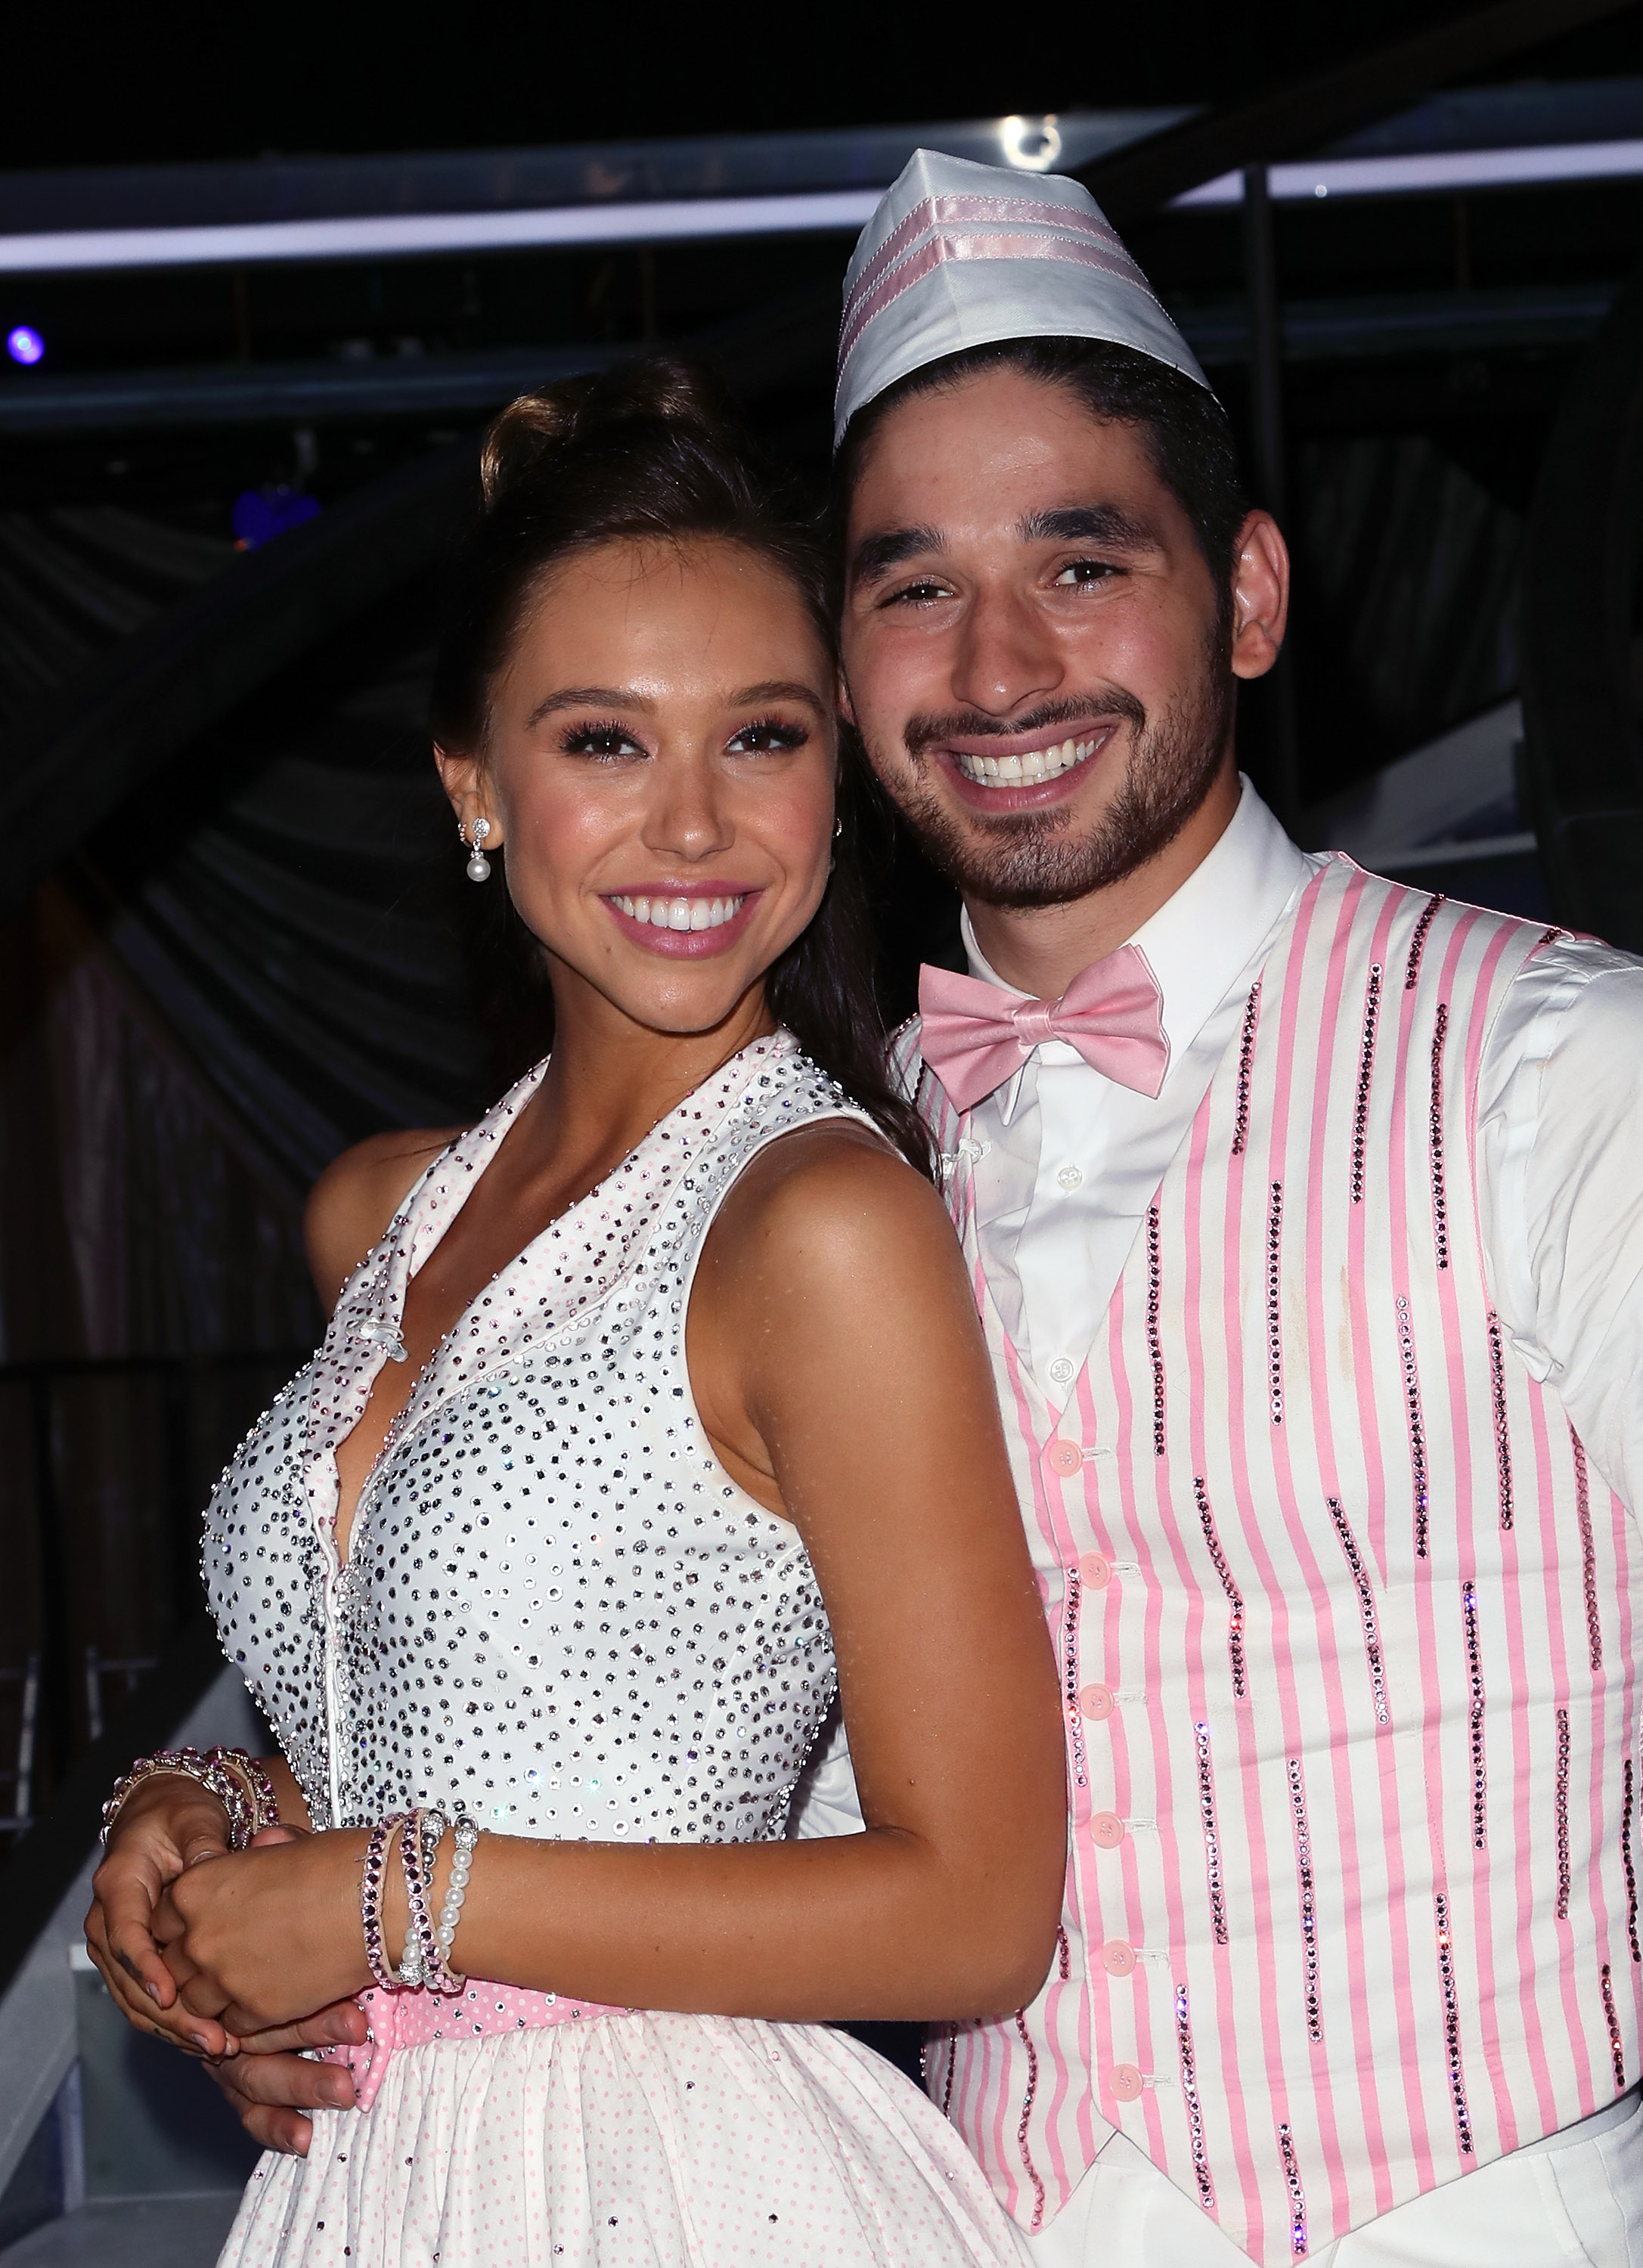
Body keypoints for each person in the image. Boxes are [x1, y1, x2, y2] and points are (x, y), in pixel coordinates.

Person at [814, 150, 1643, 2265]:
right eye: (912, 587)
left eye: (1081, 564)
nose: (996, 667)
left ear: (1246, 596)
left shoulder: (1572, 1075)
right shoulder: (826, 1162)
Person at [84, 357, 1064, 2268]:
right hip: (375, 2184)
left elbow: (974, 1909)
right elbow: (452, 1732)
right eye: (606, 742)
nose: (693, 828)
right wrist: (197, 1820)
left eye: (763, 737)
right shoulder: (380, 1214)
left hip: (694, 2183)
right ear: (471, 779)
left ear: (837, 785)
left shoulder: (820, 1226)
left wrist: (388, 1902)